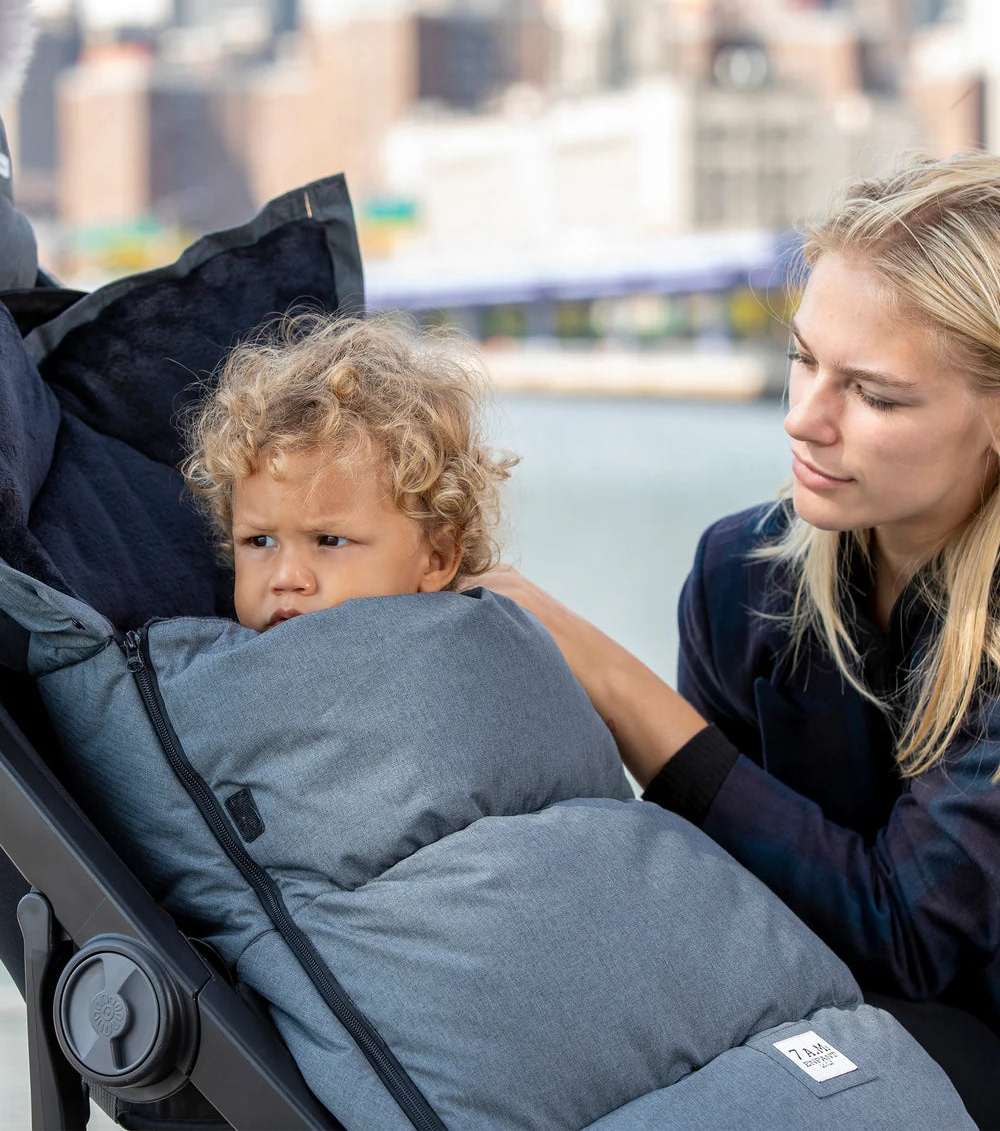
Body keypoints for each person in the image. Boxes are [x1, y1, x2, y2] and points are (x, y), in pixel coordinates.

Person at [471, 152, 1000, 1130]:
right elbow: (704, 899)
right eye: (803, 358)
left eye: (873, 394)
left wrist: (617, 687)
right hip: (795, 1040)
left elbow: (914, 940)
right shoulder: (739, 575)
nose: (803, 416)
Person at [181, 311, 518, 627]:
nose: (285, 578)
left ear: (436, 559)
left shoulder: (456, 678)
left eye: (330, 540)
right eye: (260, 541)